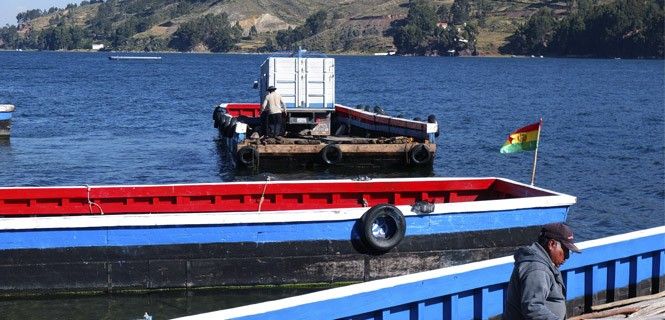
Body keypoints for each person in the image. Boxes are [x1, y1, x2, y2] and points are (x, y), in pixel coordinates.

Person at [504, 223, 581, 320]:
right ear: (551, 244)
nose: (567, 257)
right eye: (565, 250)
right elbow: (533, 308)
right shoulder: (537, 269)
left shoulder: (547, 263)